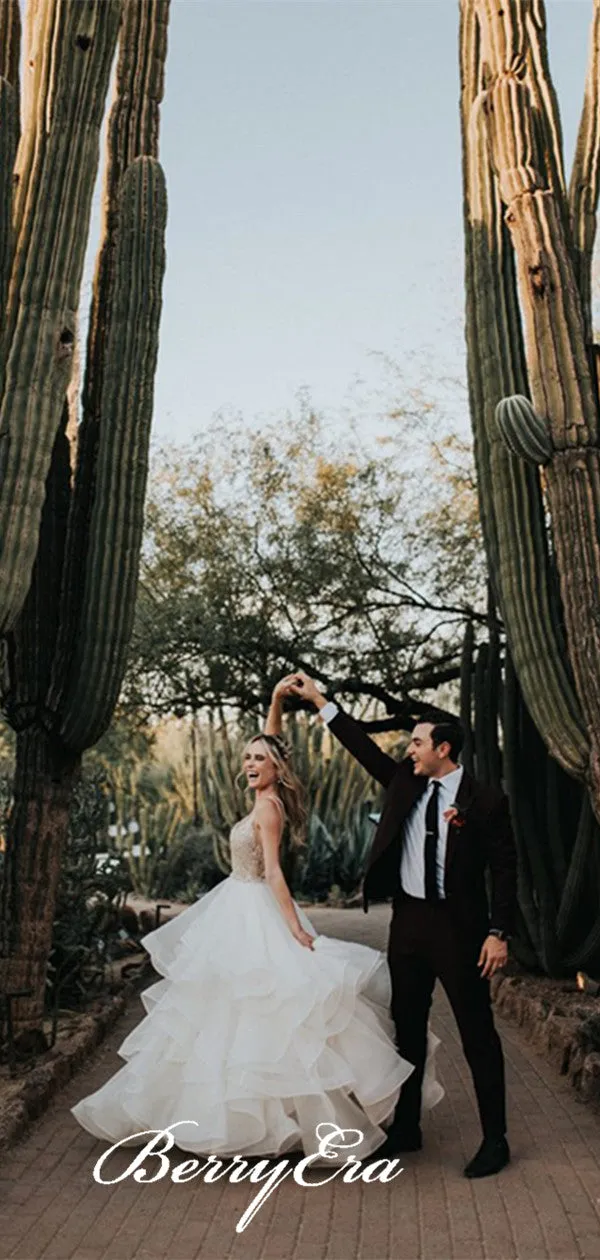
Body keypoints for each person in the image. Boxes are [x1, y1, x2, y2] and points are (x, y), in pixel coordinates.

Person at [71, 679, 443, 1163]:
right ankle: (233, 1113)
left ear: (276, 769)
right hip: (235, 906)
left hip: (255, 907)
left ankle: (269, 1120)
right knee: (227, 1014)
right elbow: (271, 746)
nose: (249, 764)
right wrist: (273, 705)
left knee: (262, 1014)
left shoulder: (268, 808)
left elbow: (273, 873)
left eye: (258, 760)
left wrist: (294, 930)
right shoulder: (261, 790)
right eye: (246, 758)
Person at [285, 670, 517, 1179]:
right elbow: (360, 747)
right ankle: (406, 1130)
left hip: (460, 930)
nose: (409, 750)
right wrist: (320, 701)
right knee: (405, 1032)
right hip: (408, 923)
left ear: (444, 748)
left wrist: (498, 932)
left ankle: (495, 1140)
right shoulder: (406, 784)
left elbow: (504, 870)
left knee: (477, 1033)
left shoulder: (485, 801)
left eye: (417, 742)